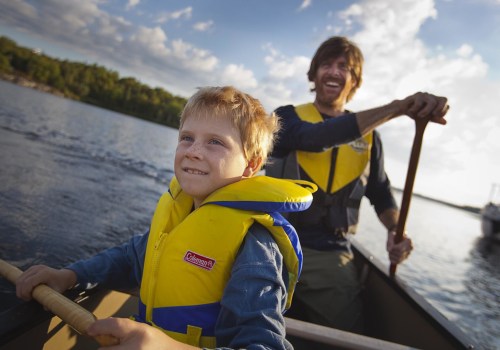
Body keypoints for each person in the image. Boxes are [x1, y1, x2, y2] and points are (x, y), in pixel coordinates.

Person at [15, 86, 317, 349]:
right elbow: (130, 256)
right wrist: (70, 275)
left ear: (251, 165)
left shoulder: (255, 246)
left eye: (215, 142)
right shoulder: (182, 212)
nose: (194, 151)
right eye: (187, 137)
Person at [266, 36, 449, 338]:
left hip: (331, 253)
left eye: (345, 67)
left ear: (355, 81)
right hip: (274, 242)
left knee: (351, 334)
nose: (335, 72)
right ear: (314, 74)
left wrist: (394, 229)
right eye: (327, 64)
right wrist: (398, 108)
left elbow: (380, 191)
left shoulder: (370, 138)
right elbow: (313, 138)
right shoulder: (286, 117)